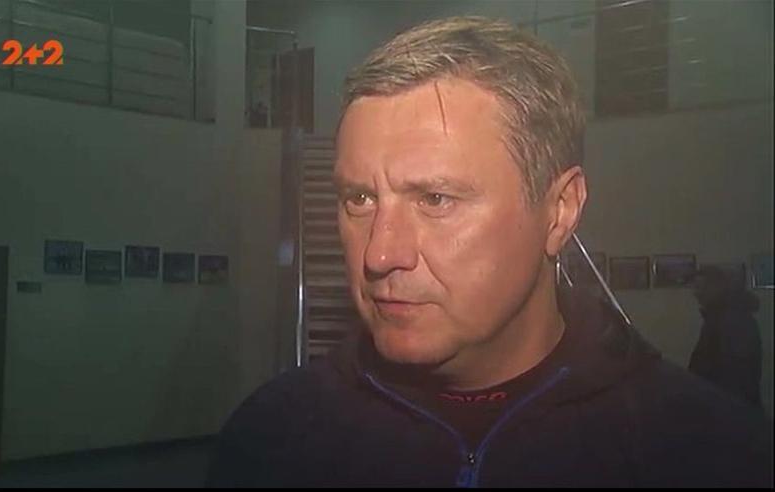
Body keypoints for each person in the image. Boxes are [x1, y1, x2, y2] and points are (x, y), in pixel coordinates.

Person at [206, 16, 772, 487]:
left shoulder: (709, 453)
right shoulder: (272, 442)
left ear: (560, 211)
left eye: (435, 199)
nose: (379, 254)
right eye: (360, 198)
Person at [689, 265, 763, 406]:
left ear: (716, 288)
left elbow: (737, 374)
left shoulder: (732, 319)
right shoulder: (719, 317)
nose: (696, 293)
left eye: (700, 287)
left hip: (730, 406)